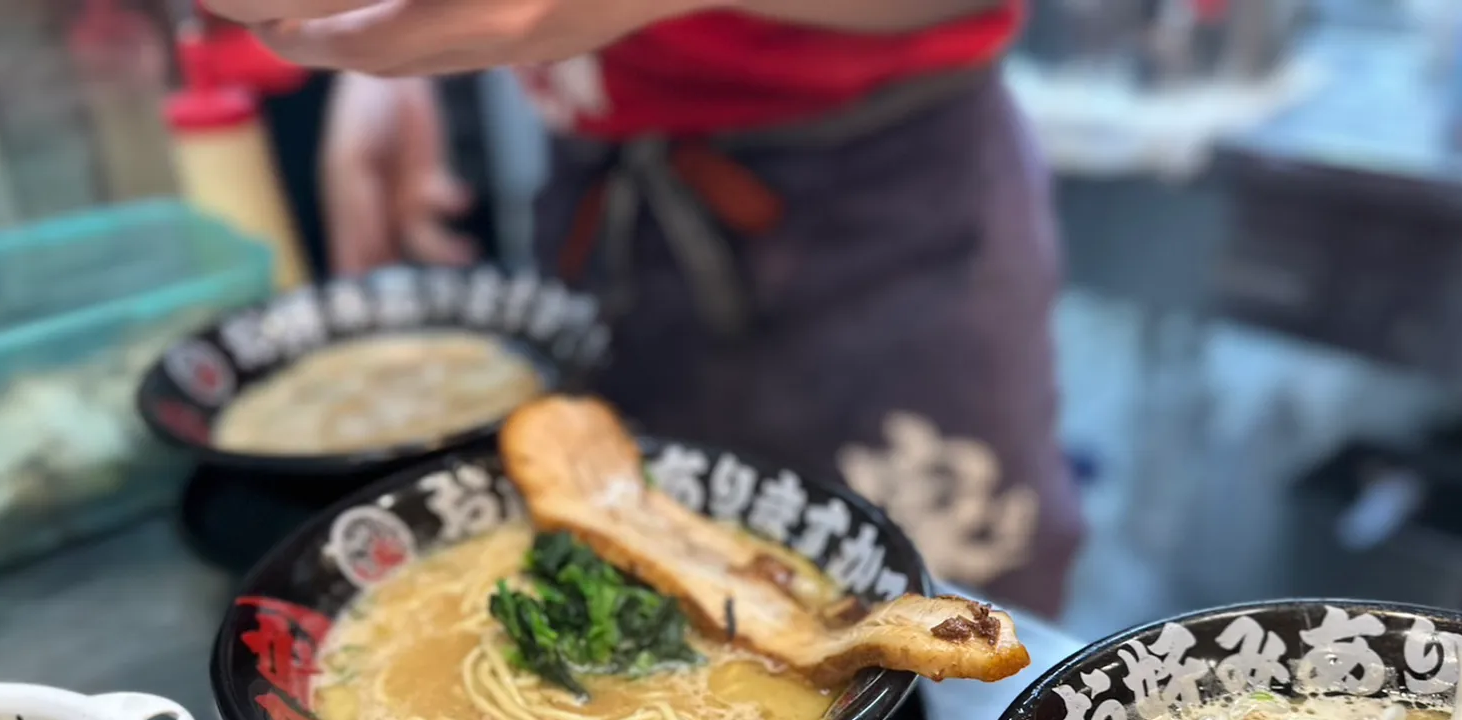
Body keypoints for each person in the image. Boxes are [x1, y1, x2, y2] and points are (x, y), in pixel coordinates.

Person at [203, 0, 1084, 617]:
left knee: (936, 629)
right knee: (637, 586)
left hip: (882, 200)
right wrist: (396, 61)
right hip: (607, 188)